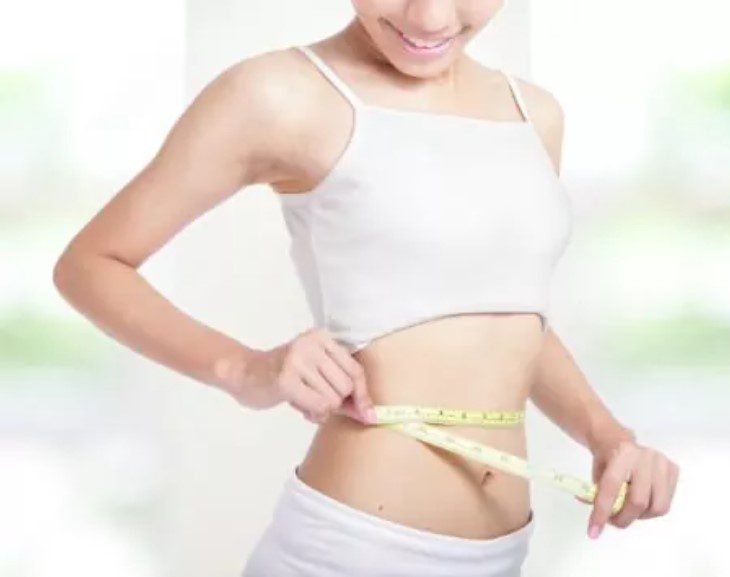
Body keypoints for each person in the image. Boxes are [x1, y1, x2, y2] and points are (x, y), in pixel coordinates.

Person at [52, 1, 680, 576]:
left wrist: (608, 437)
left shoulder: (534, 113)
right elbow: (90, 263)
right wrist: (245, 370)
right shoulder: (280, 93)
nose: (431, 17)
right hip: (351, 551)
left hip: (504, 555)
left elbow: (506, 321)